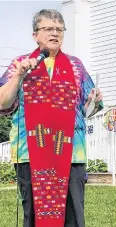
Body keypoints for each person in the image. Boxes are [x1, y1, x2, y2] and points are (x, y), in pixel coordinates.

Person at [0, 9, 103, 227]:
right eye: (48, 29)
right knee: (34, 216)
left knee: (73, 217)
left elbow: (88, 110)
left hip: (71, 153)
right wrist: (19, 76)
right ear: (35, 34)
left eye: (59, 29)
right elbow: (3, 103)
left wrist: (94, 101)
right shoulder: (21, 64)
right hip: (30, 153)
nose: (54, 33)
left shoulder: (76, 67)